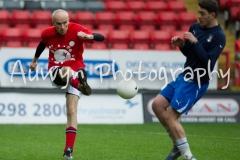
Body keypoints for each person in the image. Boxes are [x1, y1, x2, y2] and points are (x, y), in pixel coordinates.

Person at [152, 0, 226, 160]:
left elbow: (208, 62)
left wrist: (195, 42)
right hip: (184, 76)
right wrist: (182, 46)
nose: (199, 16)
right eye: (198, 12)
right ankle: (178, 146)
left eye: (202, 14)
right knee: (157, 105)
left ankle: (188, 156)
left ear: (212, 15)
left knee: (170, 116)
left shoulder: (219, 36)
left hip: (197, 81)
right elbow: (191, 54)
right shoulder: (195, 28)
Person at [29, 9, 104, 160]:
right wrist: (35, 60)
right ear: (53, 23)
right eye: (59, 24)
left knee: (71, 111)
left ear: (69, 20)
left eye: (65, 23)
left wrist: (88, 36)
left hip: (77, 69)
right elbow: (42, 45)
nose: (63, 27)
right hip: (57, 71)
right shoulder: (47, 33)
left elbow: (101, 37)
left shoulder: (76, 29)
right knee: (67, 70)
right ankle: (80, 84)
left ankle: (68, 150)